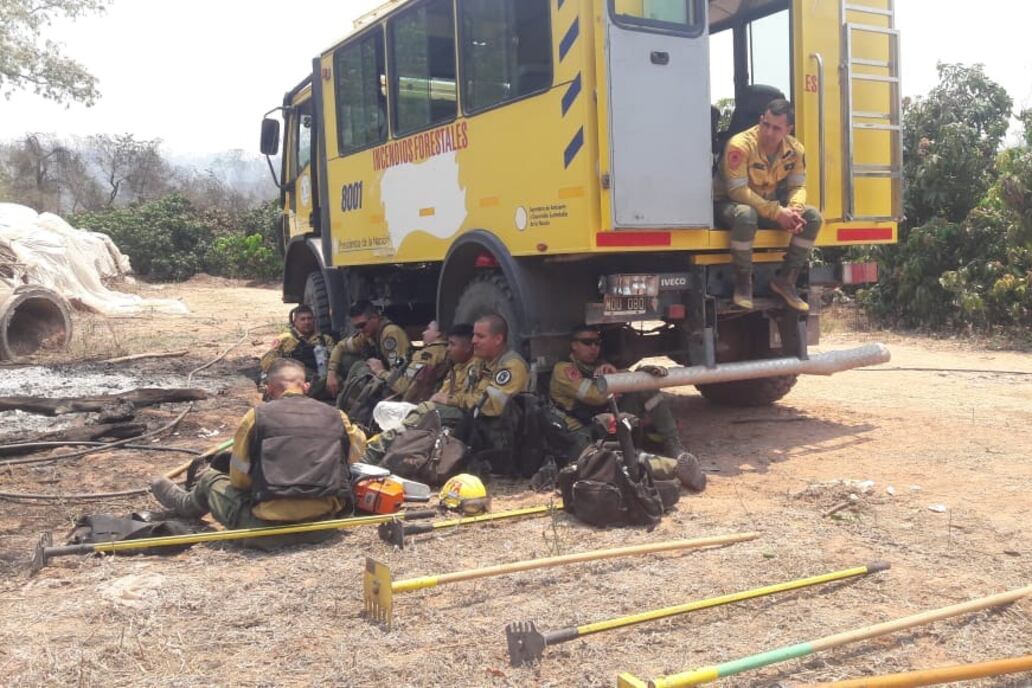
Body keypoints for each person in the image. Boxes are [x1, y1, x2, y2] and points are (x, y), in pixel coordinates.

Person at [149, 359, 367, 548]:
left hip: (267, 531)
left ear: (269, 389)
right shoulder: (337, 416)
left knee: (210, 479)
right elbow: (355, 453)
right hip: (324, 526)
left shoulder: (256, 416)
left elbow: (239, 480)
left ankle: (184, 503)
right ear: (306, 386)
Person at [549, 324, 706, 492]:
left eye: (597, 342)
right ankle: (675, 469)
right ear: (574, 345)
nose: (594, 348)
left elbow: (612, 389)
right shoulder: (563, 370)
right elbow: (595, 396)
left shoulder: (596, 366)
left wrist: (639, 375)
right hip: (584, 435)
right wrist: (618, 378)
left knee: (645, 385)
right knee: (618, 462)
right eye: (587, 342)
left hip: (605, 424)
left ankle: (674, 445)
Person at [362, 313, 528, 464]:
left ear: (498, 339)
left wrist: (450, 400)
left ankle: (375, 452)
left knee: (427, 412)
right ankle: (381, 450)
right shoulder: (480, 363)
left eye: (480, 336)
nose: (474, 341)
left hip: (494, 430)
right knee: (414, 416)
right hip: (473, 422)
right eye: (474, 335)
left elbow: (490, 406)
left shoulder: (511, 366)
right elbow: (467, 394)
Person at [714, 98, 822, 312]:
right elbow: (737, 190)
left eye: (776, 128)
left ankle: (786, 281)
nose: (769, 132)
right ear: (761, 120)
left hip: (765, 206)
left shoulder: (795, 150)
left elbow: (798, 186)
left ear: (788, 129)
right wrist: (776, 212)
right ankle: (744, 283)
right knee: (746, 215)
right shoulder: (740, 144)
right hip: (729, 204)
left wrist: (794, 209)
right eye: (766, 124)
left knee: (812, 217)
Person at [326, 301, 411, 397]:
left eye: (362, 325)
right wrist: (331, 373)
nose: (360, 330)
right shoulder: (367, 335)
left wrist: (379, 371)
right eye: (356, 327)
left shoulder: (390, 334)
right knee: (346, 359)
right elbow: (340, 347)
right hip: (387, 378)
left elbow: (399, 376)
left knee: (362, 369)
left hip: (401, 386)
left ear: (375, 318)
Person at [258, 304, 335, 398]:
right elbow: (267, 361)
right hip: (292, 379)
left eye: (309, 318)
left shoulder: (324, 339)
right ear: (295, 322)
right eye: (302, 319)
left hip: (319, 377)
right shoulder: (285, 339)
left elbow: (333, 360)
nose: (307, 322)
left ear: (314, 320)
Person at [399, 322, 474, 404]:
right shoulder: (456, 365)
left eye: (428, 329)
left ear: (438, 334)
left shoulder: (428, 354)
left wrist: (382, 373)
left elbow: (403, 385)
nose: (423, 332)